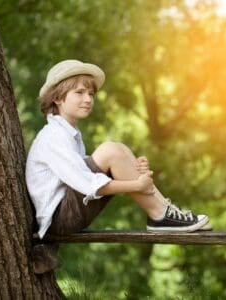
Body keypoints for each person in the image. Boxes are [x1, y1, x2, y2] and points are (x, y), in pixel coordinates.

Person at [26, 60, 211, 273]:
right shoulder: (53, 136)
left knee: (118, 150)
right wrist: (135, 184)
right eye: (79, 93)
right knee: (111, 150)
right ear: (58, 98)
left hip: (67, 209)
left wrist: (130, 168)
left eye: (91, 94)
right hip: (59, 219)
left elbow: (84, 168)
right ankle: (161, 216)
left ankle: (165, 212)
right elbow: (87, 183)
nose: (88, 99)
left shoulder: (69, 134)